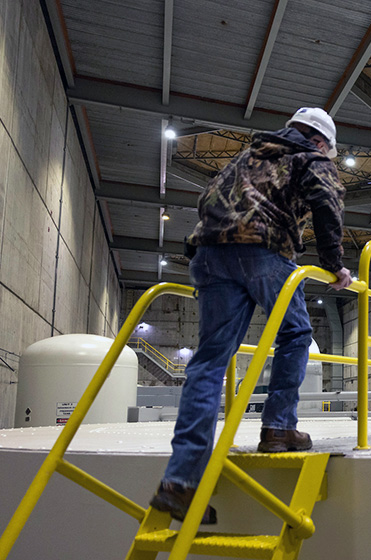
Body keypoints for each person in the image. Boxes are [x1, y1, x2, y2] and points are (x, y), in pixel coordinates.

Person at [149, 107, 353, 524]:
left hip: (208, 255)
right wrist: (335, 264)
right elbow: (328, 201)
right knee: (296, 334)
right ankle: (278, 428)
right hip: (261, 251)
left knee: (207, 364)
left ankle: (180, 482)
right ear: (319, 142)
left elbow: (206, 198)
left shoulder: (244, 157)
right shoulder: (309, 157)